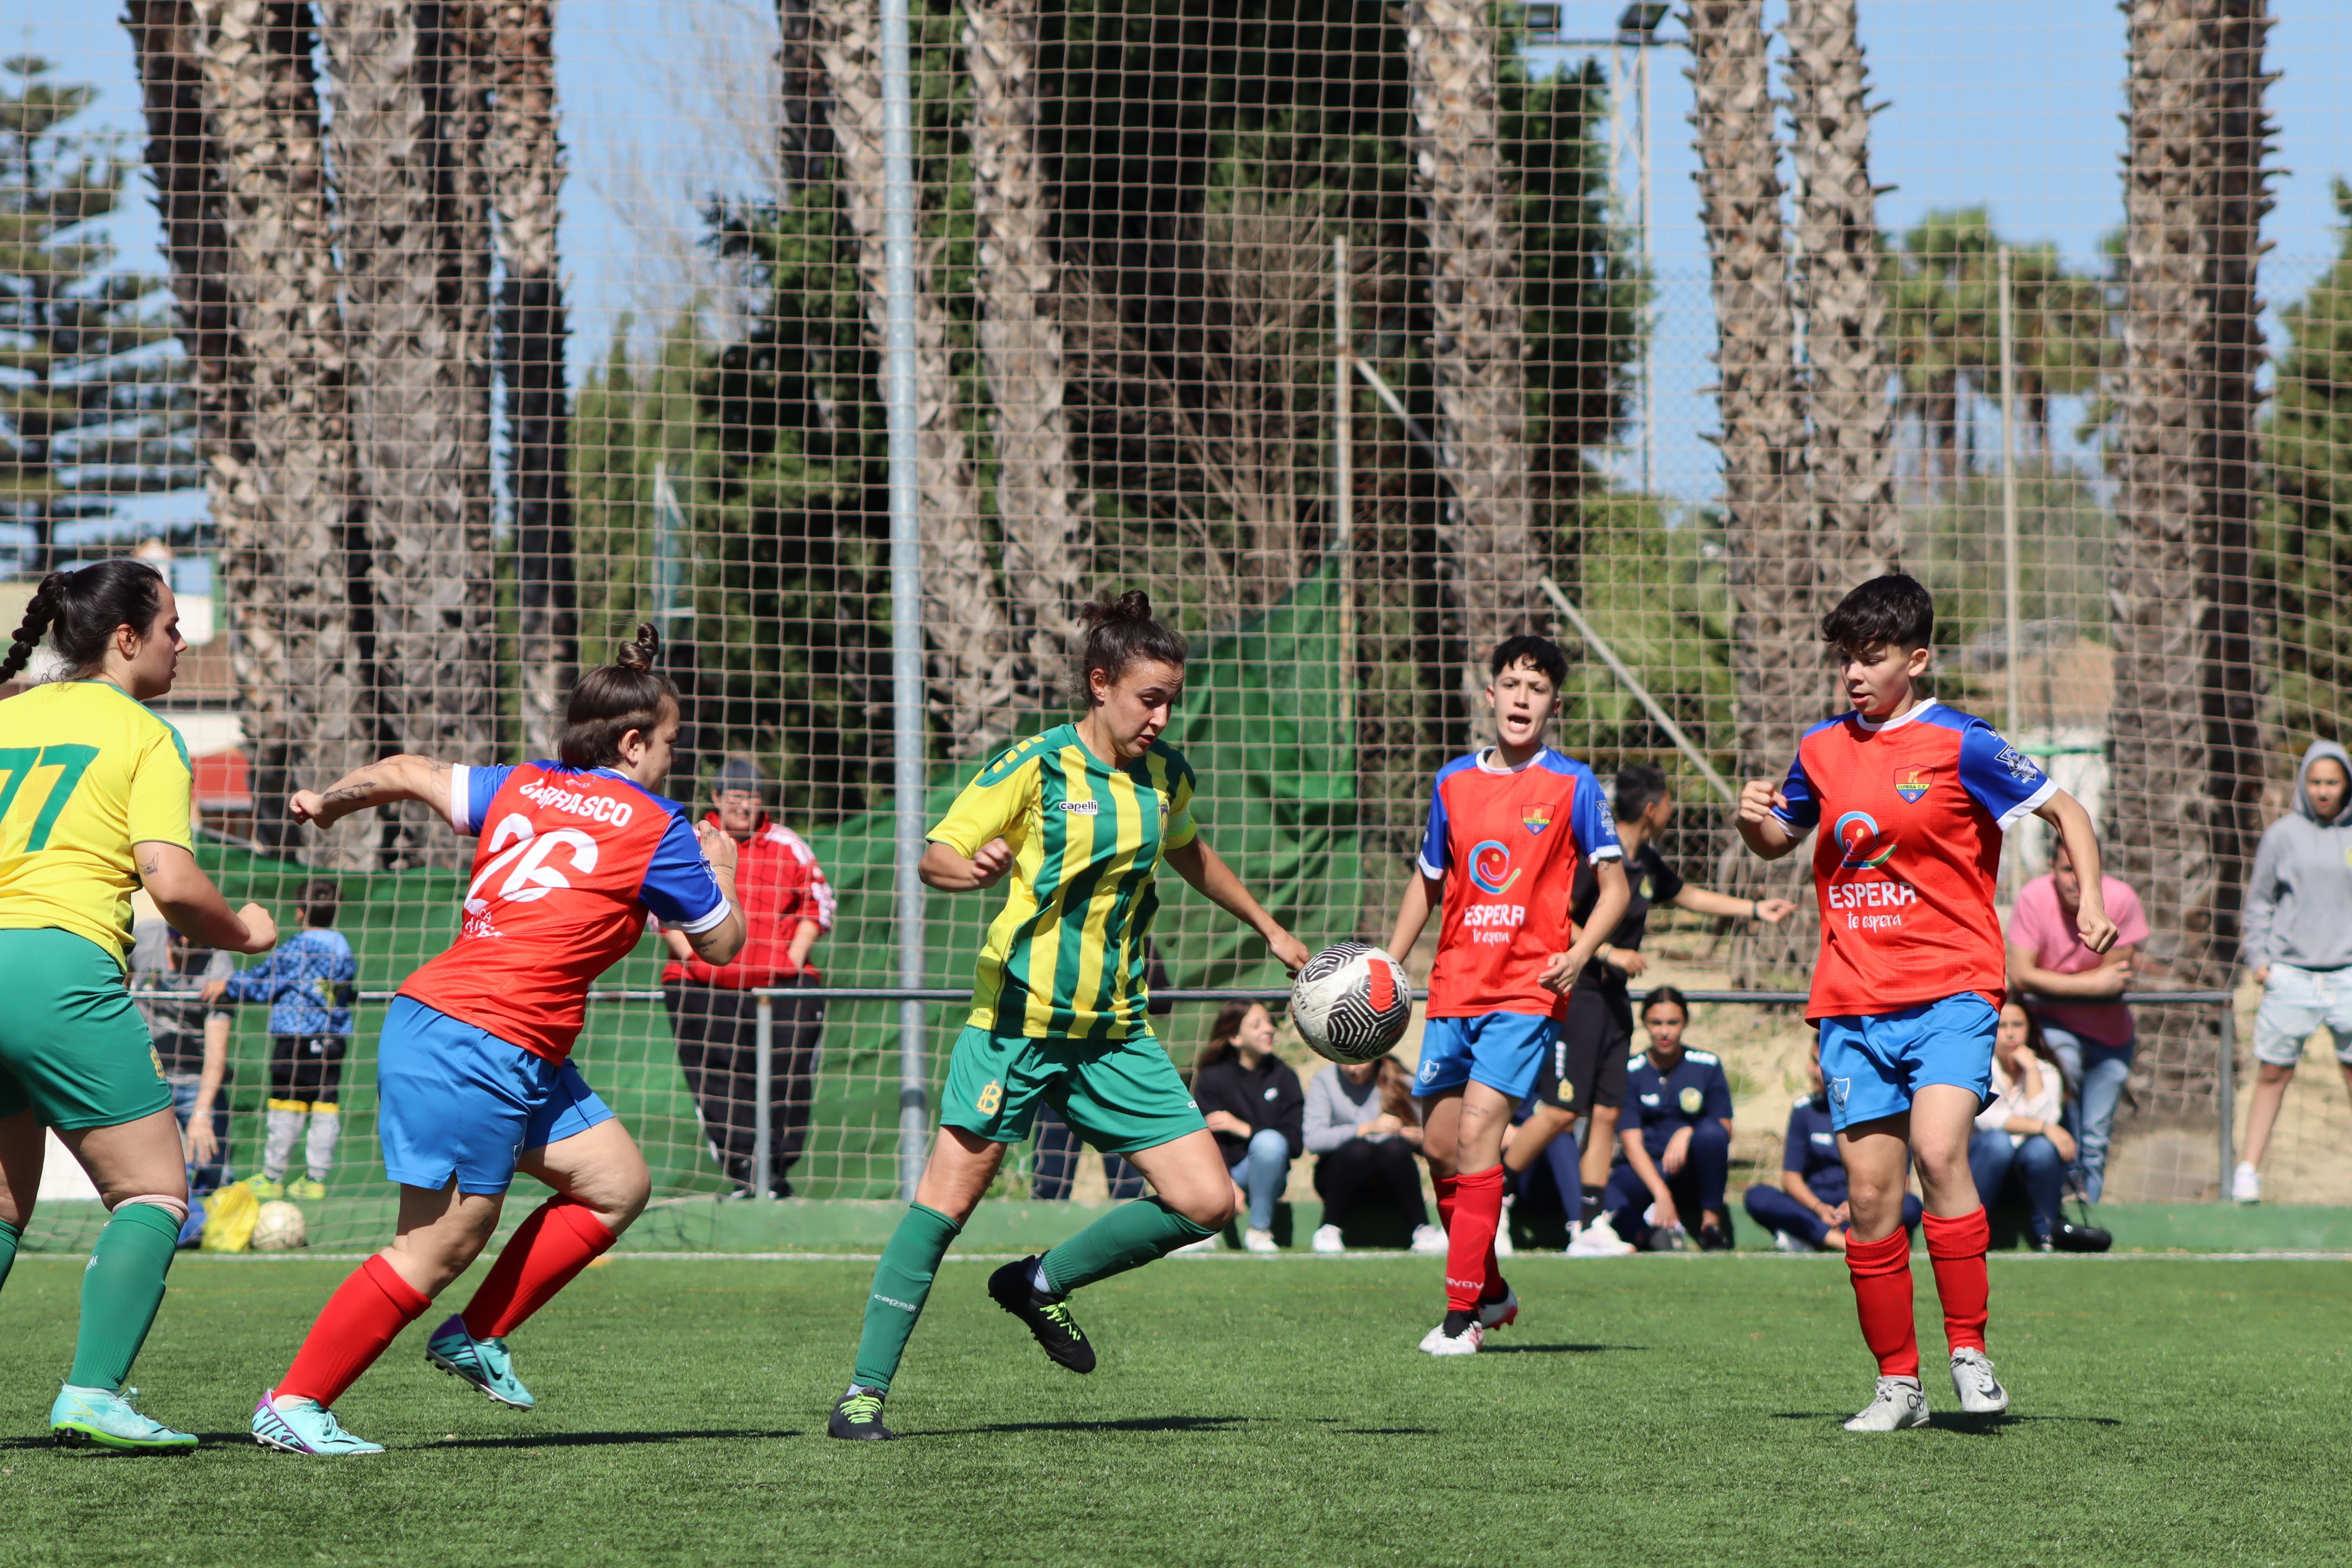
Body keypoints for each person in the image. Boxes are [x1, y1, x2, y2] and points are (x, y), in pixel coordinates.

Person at [250, 625, 745, 1456]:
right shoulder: (658, 825)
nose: (671, 759)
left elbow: (407, 772)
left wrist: (329, 801)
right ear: (632, 744)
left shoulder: (521, 785)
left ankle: (474, 1337)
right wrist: (723, 867)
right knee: (440, 1243)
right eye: (668, 744)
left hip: (497, 1034)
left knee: (616, 1182)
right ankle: (295, 1402)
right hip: (479, 1038)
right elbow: (722, 948)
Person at [828, 590, 1309, 1441]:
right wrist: (966, 870)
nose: (1162, 716)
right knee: (942, 1208)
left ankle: (1039, 1283)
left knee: (1207, 1201)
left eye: (1171, 699)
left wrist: (1268, 924)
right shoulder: (1035, 766)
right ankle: (863, 1394)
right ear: (1100, 684)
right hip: (1018, 1027)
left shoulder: (1166, 778)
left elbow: (1188, 848)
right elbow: (937, 853)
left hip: (1116, 1034)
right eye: (1147, 698)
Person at [1736, 572, 2115, 1432]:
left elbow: (2070, 813)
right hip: (1851, 1001)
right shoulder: (1822, 749)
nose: (1855, 676)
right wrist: (1750, 819)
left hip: (1951, 989)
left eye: (1872, 659)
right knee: (1870, 1201)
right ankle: (1898, 1386)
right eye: (1846, 661)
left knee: (1941, 1154)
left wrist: (2089, 900)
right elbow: (1775, 844)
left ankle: (1970, 1352)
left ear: (1918, 659)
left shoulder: (1963, 743)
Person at [0, 560, 277, 1449]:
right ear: (126, 640)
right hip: (58, 971)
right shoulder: (146, 734)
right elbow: (171, 878)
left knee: (3, 1203)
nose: (182, 641)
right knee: (155, 1191)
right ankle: (90, 1393)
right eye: (169, 626)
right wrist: (244, 932)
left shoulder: (7, 717)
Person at [1385, 633, 1629, 1355]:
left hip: (1525, 989)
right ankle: (1491, 1291)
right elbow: (1429, 880)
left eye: (1539, 688)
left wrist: (1579, 953)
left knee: (1478, 1132)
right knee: (1439, 1147)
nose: (1523, 698)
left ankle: (1460, 1319)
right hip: (1454, 985)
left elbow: (1614, 887)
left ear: (1555, 704)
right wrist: (1388, 966)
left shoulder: (1573, 784)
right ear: (1490, 695)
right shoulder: (1452, 782)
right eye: (1513, 685)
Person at [1502, 763, 1795, 1257]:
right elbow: (1556, 921)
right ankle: (1493, 1202)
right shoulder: (1596, 856)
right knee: (1558, 1111)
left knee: (1607, 1112)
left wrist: (1752, 910)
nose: (1673, 810)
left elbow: (1687, 896)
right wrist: (1608, 952)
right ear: (1654, 808)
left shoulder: (1646, 863)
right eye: (1671, 802)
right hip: (1576, 995)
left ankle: (1587, 1226)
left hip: (1614, 1000)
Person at [658, 754, 834, 1197]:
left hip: (780, 987)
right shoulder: (689, 841)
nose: (743, 806)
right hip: (704, 986)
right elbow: (663, 909)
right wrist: (694, 961)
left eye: (753, 798)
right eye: (735, 797)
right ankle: (743, 1174)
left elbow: (818, 902)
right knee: (718, 1080)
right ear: (716, 797)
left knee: (787, 1076)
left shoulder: (788, 843)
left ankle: (776, 1175)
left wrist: (791, 960)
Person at [2233, 741, 2352, 1205]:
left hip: (2347, 976)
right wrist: (2261, 960)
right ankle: (2248, 1172)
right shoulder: (2283, 834)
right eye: (2316, 782)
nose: (2324, 792)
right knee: (2273, 1073)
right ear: (2305, 784)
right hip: (2293, 976)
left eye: (2333, 783)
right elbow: (2260, 900)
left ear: (2346, 785)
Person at [2005, 838, 2147, 1203]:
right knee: (2063, 1071)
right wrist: (2090, 984)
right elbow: (2020, 974)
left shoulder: (2121, 899)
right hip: (2054, 1028)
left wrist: (2051, 981)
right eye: (2066, 870)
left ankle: (2089, 1211)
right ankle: (2059, 1201)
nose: (2074, 880)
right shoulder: (2033, 899)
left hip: (2111, 1037)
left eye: (2081, 869)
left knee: (2096, 1135)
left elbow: (2114, 977)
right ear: (2052, 869)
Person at [205, 878, 356, 1199]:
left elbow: (265, 981)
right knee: (325, 1107)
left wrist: (229, 985)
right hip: (333, 1040)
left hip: (296, 1038)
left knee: (285, 1105)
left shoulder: (297, 948)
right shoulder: (344, 948)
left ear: (300, 913)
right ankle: (316, 1180)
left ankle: (273, 1176)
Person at [1745, 1035, 1922, 1253]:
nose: (1809, 1070)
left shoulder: (1884, 1112)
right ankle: (1840, 1241)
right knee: (1757, 1196)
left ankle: (1811, 1239)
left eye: (1816, 1063)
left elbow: (1900, 1180)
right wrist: (1819, 1208)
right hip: (1818, 1208)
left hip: (1865, 1203)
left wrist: (1858, 1206)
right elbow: (1790, 1178)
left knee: (1912, 1206)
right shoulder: (1805, 1111)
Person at [1600, 988, 1734, 1250]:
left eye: (1672, 1023)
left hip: (1691, 1171)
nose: (1664, 1032)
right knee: (1605, 1188)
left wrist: (1688, 1132)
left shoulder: (1707, 1064)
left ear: (1685, 1022)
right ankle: (1647, 1237)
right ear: (1645, 1024)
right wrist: (1661, 1194)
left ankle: (1712, 1226)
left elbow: (1725, 1129)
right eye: (1656, 1023)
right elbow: (1631, 1143)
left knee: (1711, 1132)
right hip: (1648, 1169)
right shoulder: (1631, 1070)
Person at [129, 920, 236, 1196]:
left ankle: (205, 1224)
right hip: (146, 1076)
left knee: (217, 1175)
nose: (187, 943)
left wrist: (202, 1114)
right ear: (167, 927)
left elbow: (216, 1054)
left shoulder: (218, 966)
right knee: (145, 1174)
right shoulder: (143, 937)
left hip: (195, 1080)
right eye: (180, 934)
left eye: (196, 938)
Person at [1190, 1001, 1304, 1253]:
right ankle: (1201, 1230)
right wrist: (1224, 1183)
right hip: (1221, 1175)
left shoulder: (1285, 1076)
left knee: (1269, 1142)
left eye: (1269, 1022)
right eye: (1257, 1025)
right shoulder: (1212, 1078)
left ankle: (1259, 1231)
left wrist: (1244, 1129)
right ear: (1235, 1038)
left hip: (1267, 1175)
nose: (1269, 1030)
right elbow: (1203, 1144)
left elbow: (1294, 1144)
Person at [1966, 999, 2077, 1252]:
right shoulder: (1978, 1070)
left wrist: (2032, 1071)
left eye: (2018, 1024)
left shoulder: (2046, 1071)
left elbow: (2047, 1118)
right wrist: (2045, 1129)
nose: (2010, 1033)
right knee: (1998, 1144)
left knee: (2042, 1149)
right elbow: (1989, 1120)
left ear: (2030, 1028)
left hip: (2028, 1176)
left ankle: (2046, 1235)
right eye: (2001, 1025)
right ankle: (1971, 1233)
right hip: (1982, 1171)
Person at [1304, 1055, 1440, 1254]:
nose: (1352, 1070)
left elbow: (1433, 1138)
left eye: (1360, 1061)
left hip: (1389, 1181)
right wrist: (1366, 1128)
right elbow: (1313, 1140)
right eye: (1345, 1060)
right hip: (1339, 1179)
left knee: (1394, 1148)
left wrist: (1416, 1138)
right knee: (1358, 1150)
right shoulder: (1325, 1080)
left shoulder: (1400, 1080)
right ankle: (1329, 1228)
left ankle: (1422, 1230)